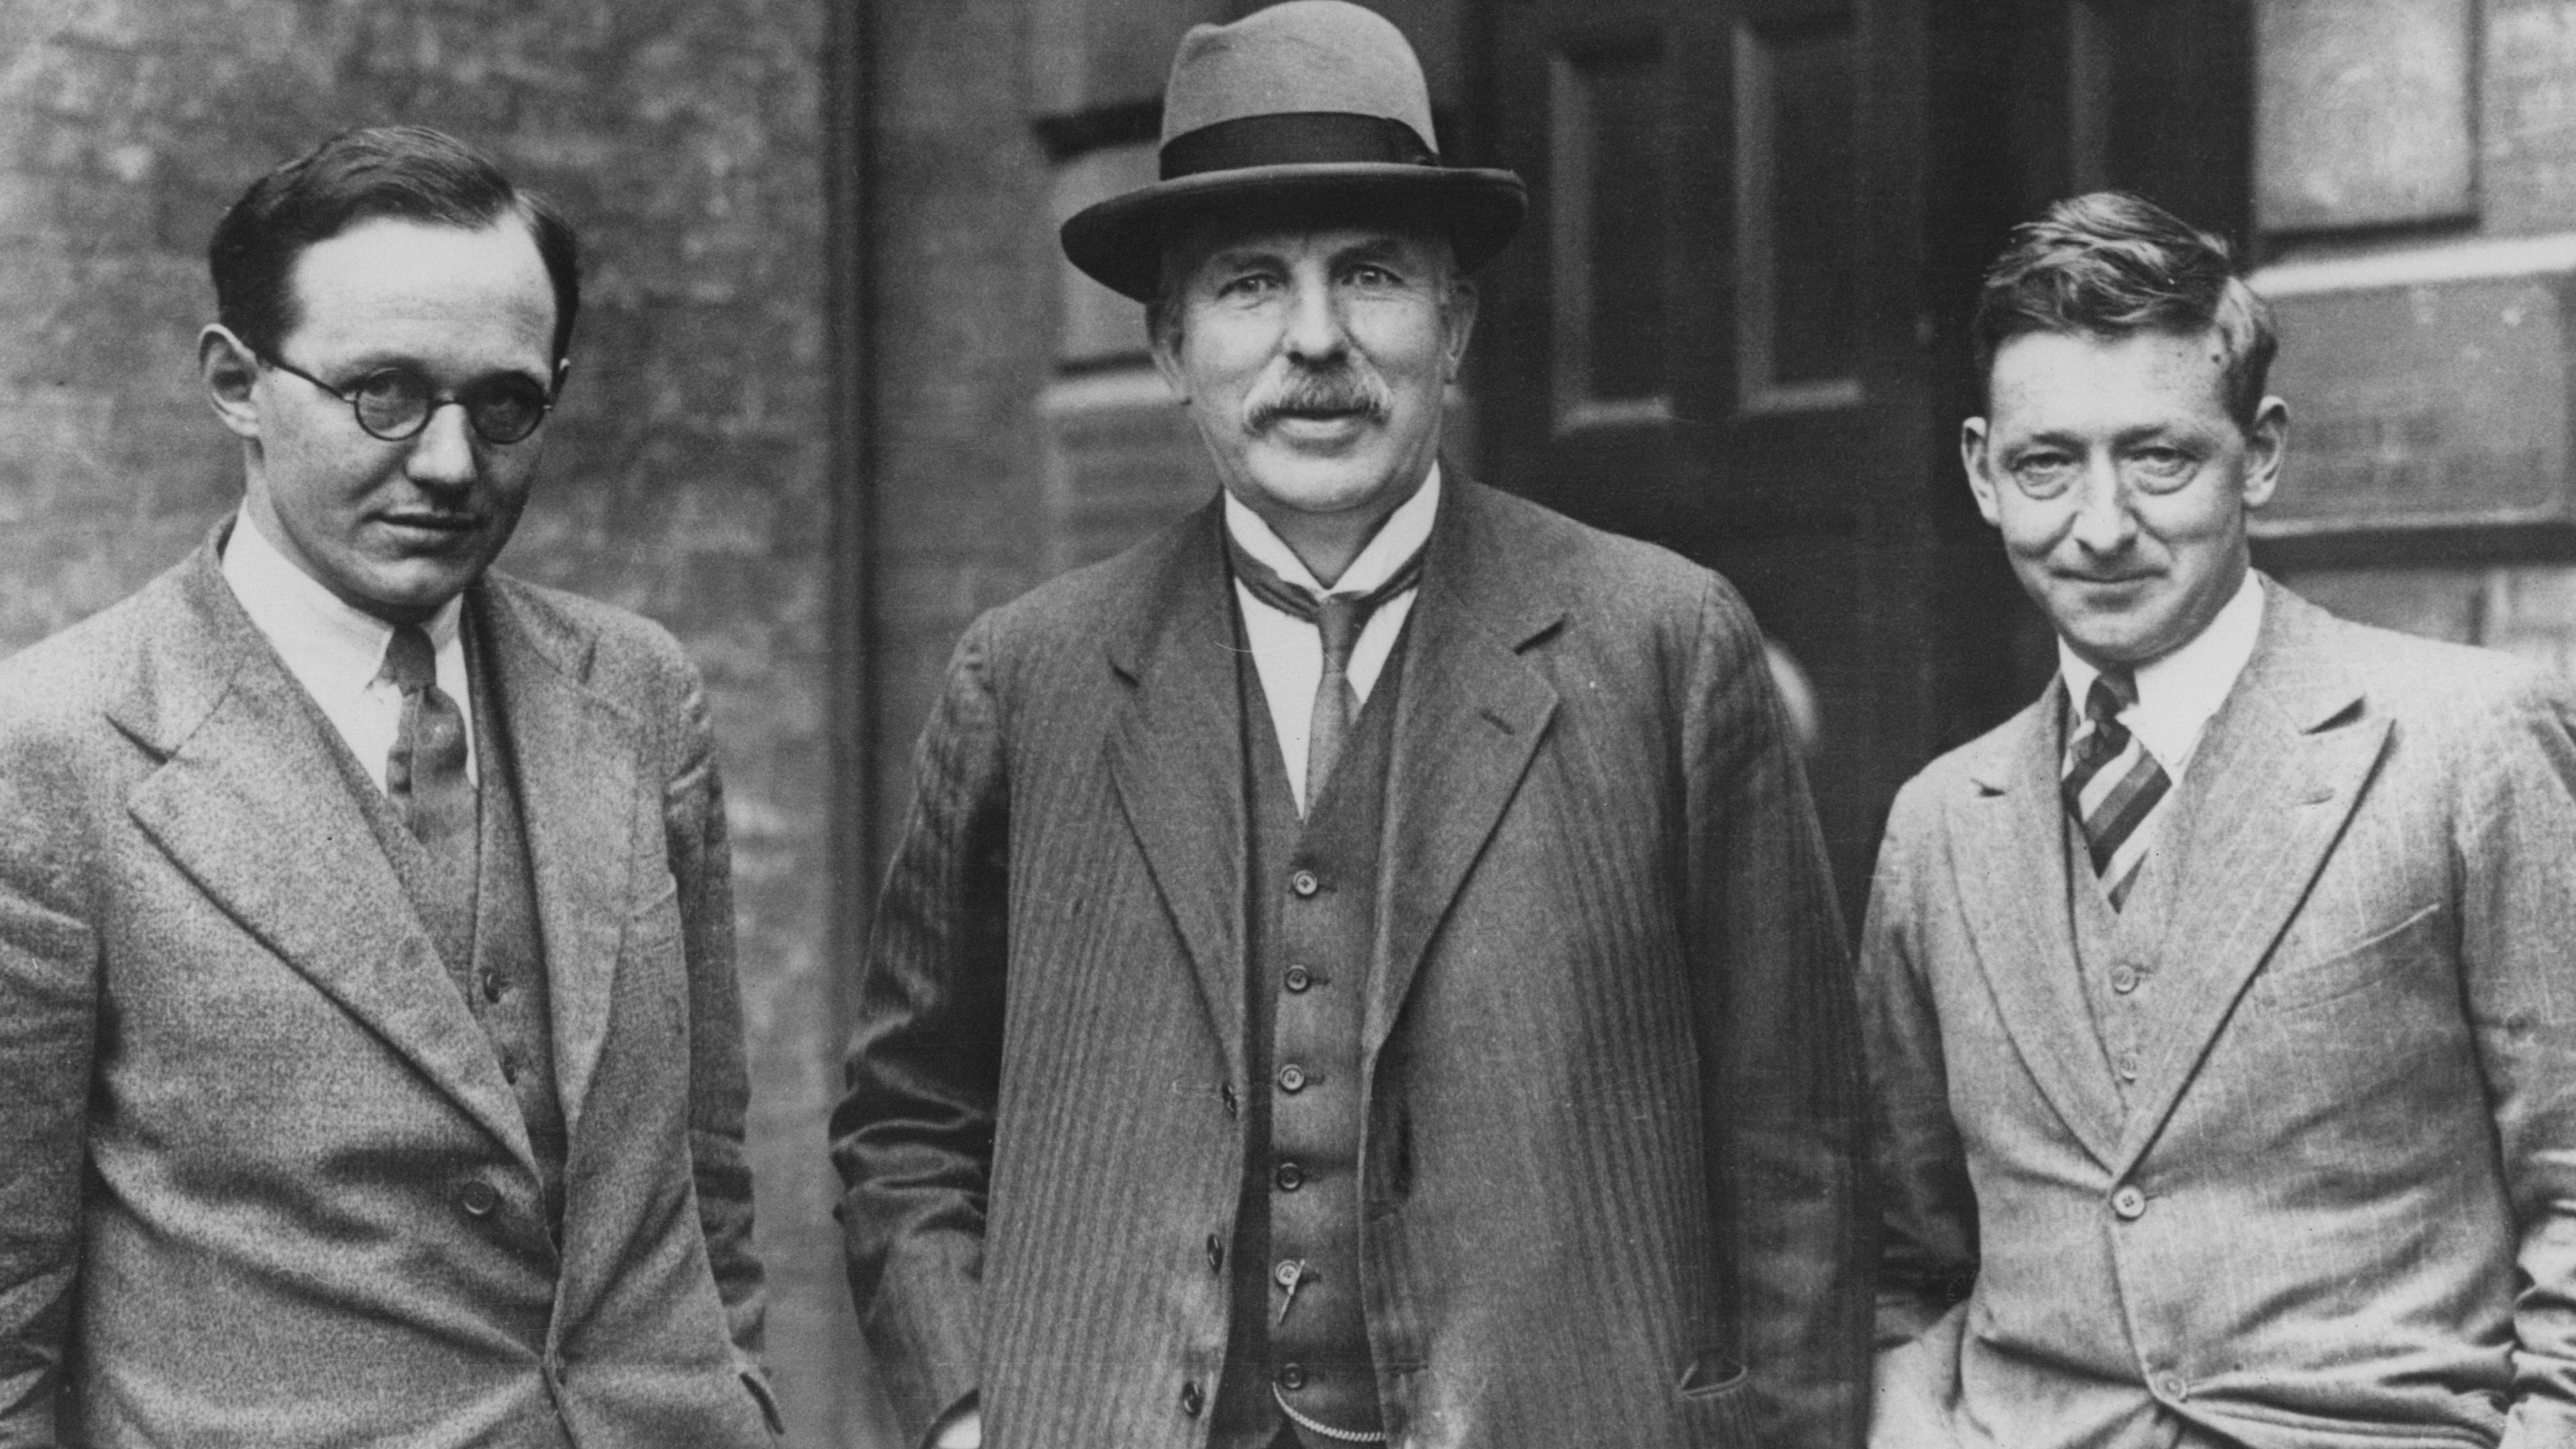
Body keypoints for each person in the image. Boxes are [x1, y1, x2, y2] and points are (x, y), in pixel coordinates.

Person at [831, 5, 1869, 1448]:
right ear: (1168, 345)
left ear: (1453, 326)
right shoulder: (1031, 677)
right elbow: (907, 1124)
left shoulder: (1661, 644)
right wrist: (963, 1410)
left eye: (1371, 277)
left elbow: (1797, 1150)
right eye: (1251, 286)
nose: (1315, 341)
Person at [0, 125, 780, 1446]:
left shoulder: (639, 695)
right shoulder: (58, 749)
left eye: (505, 406)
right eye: (384, 396)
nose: (450, 464)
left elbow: (706, 1193)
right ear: (236, 382)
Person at [1862, 191, 2576, 1448]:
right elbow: (1910, 1262)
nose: (2100, 526)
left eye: (2159, 456)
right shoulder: (1938, 826)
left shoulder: (2467, 743)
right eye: (2047, 463)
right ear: (1982, 472)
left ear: (2260, 453)